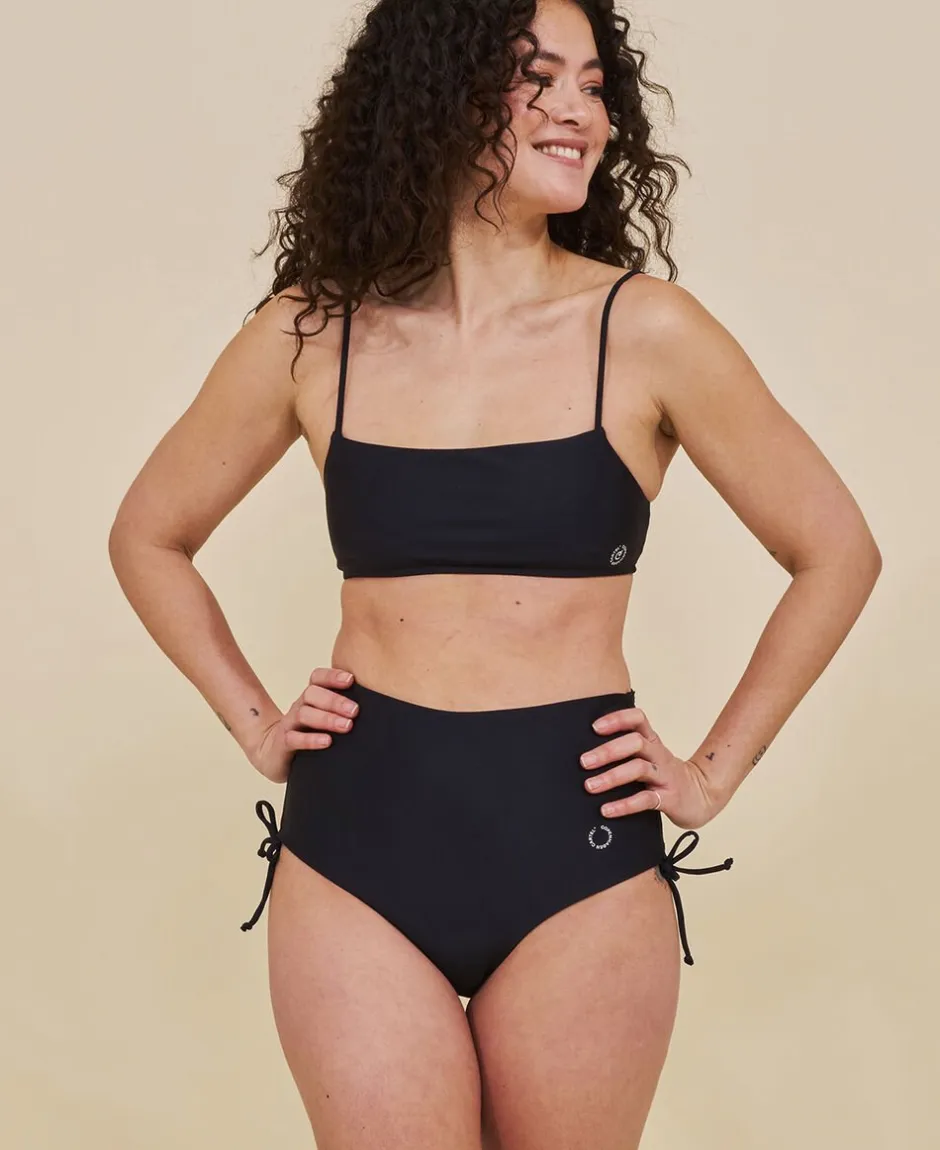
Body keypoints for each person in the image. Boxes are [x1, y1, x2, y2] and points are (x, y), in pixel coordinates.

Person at [108, 0, 882, 1146]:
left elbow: (835, 550)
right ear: (440, 93)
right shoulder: (312, 333)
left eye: (593, 86)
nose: (579, 112)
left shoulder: (649, 330)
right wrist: (257, 723)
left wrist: (709, 775)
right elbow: (148, 533)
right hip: (355, 848)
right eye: (538, 78)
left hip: (577, 853)